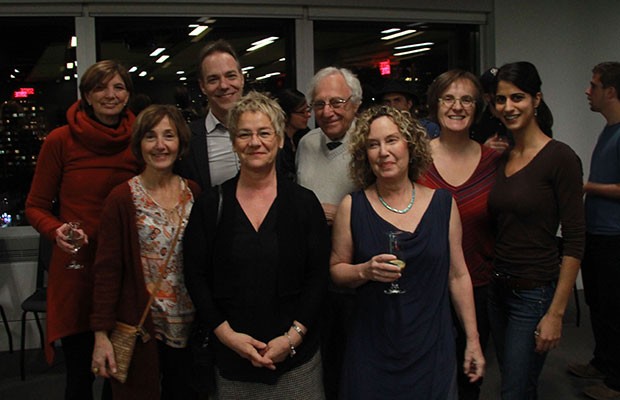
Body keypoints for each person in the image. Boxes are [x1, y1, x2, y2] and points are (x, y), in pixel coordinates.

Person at [330, 105, 485, 399]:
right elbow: (337, 270)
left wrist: (473, 340)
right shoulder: (353, 207)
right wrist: (365, 271)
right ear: (365, 155)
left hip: (431, 349)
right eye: (373, 145)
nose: (383, 152)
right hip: (372, 349)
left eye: (391, 140)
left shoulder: (443, 204)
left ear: (410, 146)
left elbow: (458, 275)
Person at [183, 91, 329, 399]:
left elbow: (317, 276)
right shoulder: (211, 205)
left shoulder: (304, 204)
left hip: (297, 361)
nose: (255, 142)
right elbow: (195, 276)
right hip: (232, 359)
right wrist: (228, 336)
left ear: (278, 140)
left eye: (264, 133)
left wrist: (293, 338)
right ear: (234, 143)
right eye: (244, 134)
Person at [25, 60, 141, 400]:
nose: (110, 94)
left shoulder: (139, 137)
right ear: (87, 95)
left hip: (123, 269)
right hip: (77, 270)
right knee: (78, 373)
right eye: (100, 88)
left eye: (118, 87)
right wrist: (56, 230)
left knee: (118, 374)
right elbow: (35, 206)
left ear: (128, 94)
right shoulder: (60, 140)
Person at [487, 61, 585, 399]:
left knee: (513, 390)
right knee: (520, 384)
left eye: (518, 98)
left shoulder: (560, 158)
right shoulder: (502, 157)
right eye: (501, 100)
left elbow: (574, 240)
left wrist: (556, 313)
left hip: (534, 295)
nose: (508, 107)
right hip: (496, 291)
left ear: (537, 99)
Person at [89, 105, 200, 399]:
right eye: (150, 137)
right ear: (139, 144)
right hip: (143, 326)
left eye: (169, 136)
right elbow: (107, 270)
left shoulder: (195, 194)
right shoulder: (122, 198)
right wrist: (101, 334)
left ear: (181, 143)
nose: (160, 145)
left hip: (190, 327)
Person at [420, 69, 499, 400]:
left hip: (478, 287)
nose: (457, 106)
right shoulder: (415, 158)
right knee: (425, 378)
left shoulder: (494, 161)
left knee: (469, 379)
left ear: (478, 107)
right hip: (424, 289)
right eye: (448, 98)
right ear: (435, 105)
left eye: (467, 99)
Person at [295, 66, 361, 399]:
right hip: (313, 272)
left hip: (355, 276)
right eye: (319, 104)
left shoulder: (370, 146)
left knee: (355, 363)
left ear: (356, 104)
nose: (327, 111)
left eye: (337, 101)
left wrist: (348, 215)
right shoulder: (305, 144)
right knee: (319, 362)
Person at [568, 61, 620, 400]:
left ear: (611, 91)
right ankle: (602, 363)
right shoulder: (609, 129)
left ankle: (616, 383)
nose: (588, 91)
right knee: (598, 305)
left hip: (615, 236)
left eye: (594, 85)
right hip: (598, 233)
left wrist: (585, 186)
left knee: (615, 308)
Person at [176, 39, 244, 189]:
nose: (224, 85)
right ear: (202, 86)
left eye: (231, 76)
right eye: (213, 79)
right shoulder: (187, 140)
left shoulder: (269, 132)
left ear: (242, 78)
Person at [470, 67, 512, 153]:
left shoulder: (518, 116)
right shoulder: (477, 124)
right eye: (497, 91)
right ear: (487, 97)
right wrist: (483, 150)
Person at [273, 88, 311, 181]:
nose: (308, 115)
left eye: (308, 109)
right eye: (302, 112)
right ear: (285, 115)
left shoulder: (305, 135)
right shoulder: (276, 144)